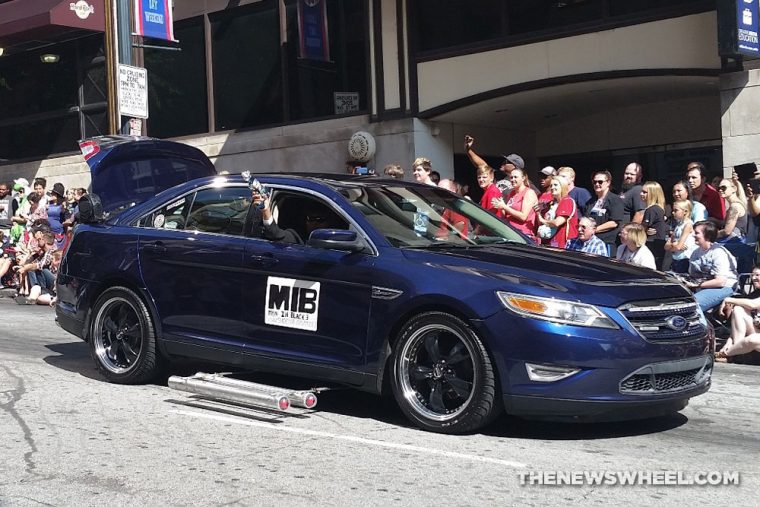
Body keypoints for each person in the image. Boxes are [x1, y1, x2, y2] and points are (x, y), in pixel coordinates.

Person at [688, 220, 738, 312]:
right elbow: (692, 275)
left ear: (707, 236)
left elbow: (720, 281)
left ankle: (702, 325)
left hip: (724, 287)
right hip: (702, 285)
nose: (693, 235)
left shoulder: (718, 252)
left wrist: (696, 285)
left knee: (693, 304)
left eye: (697, 233)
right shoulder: (696, 252)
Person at [716, 265, 760, 360]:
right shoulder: (755, 294)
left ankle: (727, 353)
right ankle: (736, 350)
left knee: (752, 340)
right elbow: (738, 325)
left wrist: (728, 299)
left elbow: (753, 304)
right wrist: (728, 342)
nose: (753, 278)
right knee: (738, 309)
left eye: (757, 275)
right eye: (752, 275)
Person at [584, 170, 624, 256]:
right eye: (594, 182)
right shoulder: (590, 202)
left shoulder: (615, 200)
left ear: (608, 183)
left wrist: (595, 229)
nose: (597, 184)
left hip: (606, 243)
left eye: (600, 182)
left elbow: (614, 222)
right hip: (590, 242)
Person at [491, 167, 537, 240]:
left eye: (515, 177)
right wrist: (500, 206)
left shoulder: (529, 193)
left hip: (522, 234)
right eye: (511, 177)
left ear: (523, 178)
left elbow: (523, 217)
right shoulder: (512, 193)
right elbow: (508, 214)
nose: (512, 180)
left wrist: (505, 207)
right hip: (509, 231)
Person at [535, 175, 578, 249]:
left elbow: (557, 223)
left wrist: (543, 220)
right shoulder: (551, 204)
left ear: (563, 186)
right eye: (551, 185)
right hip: (548, 243)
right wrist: (538, 213)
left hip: (563, 245)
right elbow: (541, 223)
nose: (552, 187)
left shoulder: (567, 201)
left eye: (555, 185)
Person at [640, 181, 668, 268]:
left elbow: (642, 229)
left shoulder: (651, 210)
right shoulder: (659, 209)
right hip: (658, 246)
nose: (641, 194)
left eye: (645, 192)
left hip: (652, 245)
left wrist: (644, 230)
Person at [664, 199, 697, 273]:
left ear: (685, 211)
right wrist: (674, 245)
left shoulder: (688, 225)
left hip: (685, 259)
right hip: (676, 259)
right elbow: (666, 246)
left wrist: (675, 246)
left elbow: (678, 247)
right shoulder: (678, 225)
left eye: (676, 210)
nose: (673, 212)